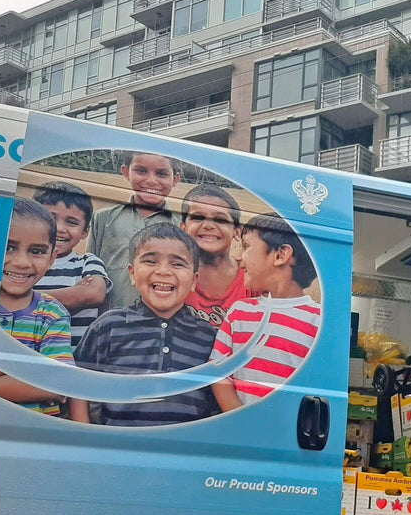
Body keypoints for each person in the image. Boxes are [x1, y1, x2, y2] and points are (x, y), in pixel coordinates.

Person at [75, 223, 218, 426]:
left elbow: (215, 403)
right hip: (118, 450)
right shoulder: (108, 326)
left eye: (177, 264)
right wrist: (87, 438)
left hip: (184, 451)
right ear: (132, 274)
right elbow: (78, 386)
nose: (163, 271)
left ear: (194, 280)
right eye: (150, 261)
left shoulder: (207, 336)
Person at [0, 199, 89, 422]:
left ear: (52, 258)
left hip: (29, 436)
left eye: (37, 251)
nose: (22, 262)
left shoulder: (52, 314)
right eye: (9, 247)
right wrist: (32, 371)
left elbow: (58, 384)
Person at [210, 213, 320, 411]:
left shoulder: (319, 321)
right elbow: (219, 374)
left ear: (280, 255)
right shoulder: (239, 313)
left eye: (246, 247)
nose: (238, 257)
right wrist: (242, 419)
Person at [88, 151, 179, 311]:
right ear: (126, 172)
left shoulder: (182, 227)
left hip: (159, 324)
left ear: (175, 180)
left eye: (161, 173)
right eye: (141, 171)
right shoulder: (103, 219)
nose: (151, 181)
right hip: (108, 322)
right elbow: (91, 274)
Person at [32, 181, 111, 347]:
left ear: (85, 232)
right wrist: (74, 295)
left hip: (71, 360)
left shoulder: (87, 262)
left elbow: (94, 294)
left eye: (72, 222)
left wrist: (26, 298)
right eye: (50, 218)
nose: (59, 228)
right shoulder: (23, 262)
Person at [180, 184, 254, 328]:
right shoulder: (174, 275)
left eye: (220, 220)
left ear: (237, 232)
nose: (208, 225)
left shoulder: (251, 278)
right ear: (183, 228)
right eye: (198, 217)